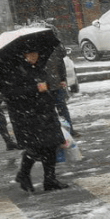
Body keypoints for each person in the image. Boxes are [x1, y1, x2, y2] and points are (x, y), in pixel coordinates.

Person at [1, 46, 69, 192]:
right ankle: (24, 174)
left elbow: (44, 85)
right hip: (27, 116)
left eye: (36, 52)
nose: (34, 56)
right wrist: (35, 89)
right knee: (36, 148)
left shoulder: (36, 67)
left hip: (45, 113)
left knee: (51, 145)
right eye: (30, 53)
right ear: (23, 54)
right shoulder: (11, 72)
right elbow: (10, 94)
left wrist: (48, 88)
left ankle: (49, 179)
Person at [45, 44, 76, 137]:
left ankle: (62, 132)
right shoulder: (54, 46)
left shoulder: (51, 47)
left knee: (53, 109)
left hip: (51, 84)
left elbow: (61, 59)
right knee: (60, 108)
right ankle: (67, 131)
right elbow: (62, 59)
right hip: (53, 83)